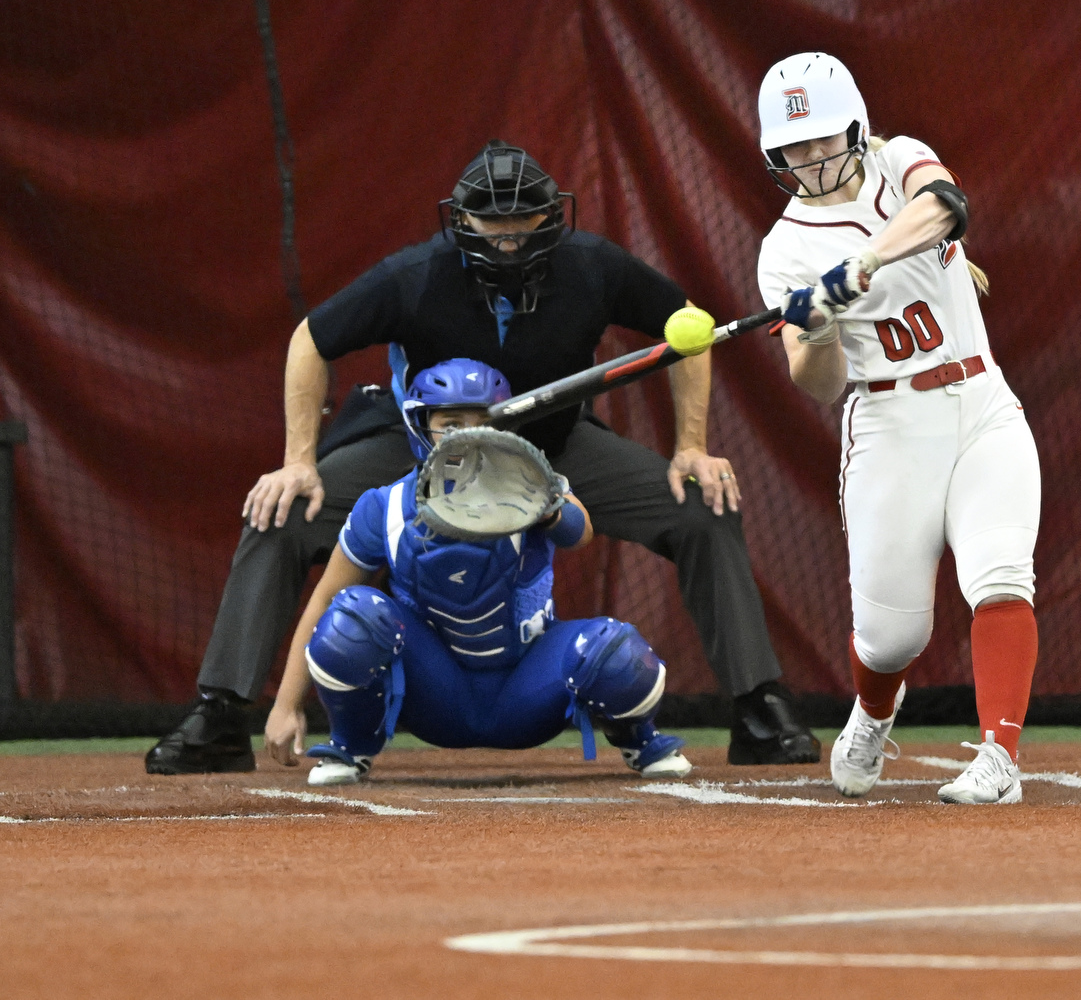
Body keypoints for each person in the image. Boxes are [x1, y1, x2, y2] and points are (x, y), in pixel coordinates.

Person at [148, 140, 818, 775]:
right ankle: (223, 714)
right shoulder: (414, 276)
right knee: (283, 511)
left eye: (526, 217)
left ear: (554, 215)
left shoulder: (593, 266)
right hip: (419, 447)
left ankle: (759, 705)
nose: (509, 233)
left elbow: (686, 330)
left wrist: (690, 448)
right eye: (490, 219)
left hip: (551, 446)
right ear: (458, 218)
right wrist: (299, 459)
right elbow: (310, 339)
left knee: (702, 503)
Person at [753, 52, 1041, 803]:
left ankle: (1000, 757)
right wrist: (815, 327)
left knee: (1000, 571)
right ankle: (875, 712)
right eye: (793, 148)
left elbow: (946, 206)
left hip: (981, 401)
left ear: (853, 127)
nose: (810, 158)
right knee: (893, 639)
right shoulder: (784, 253)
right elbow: (820, 384)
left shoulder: (900, 160)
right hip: (889, 421)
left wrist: (862, 262)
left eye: (821, 139)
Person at [264, 358, 690, 783]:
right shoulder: (385, 506)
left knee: (614, 648)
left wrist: (549, 508)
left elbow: (580, 532)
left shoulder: (533, 485)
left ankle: (640, 740)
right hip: (434, 696)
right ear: (419, 425)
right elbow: (323, 598)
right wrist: (287, 704)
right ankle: (350, 747)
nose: (466, 435)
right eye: (450, 422)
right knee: (352, 616)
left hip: (528, 692)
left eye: (482, 422)